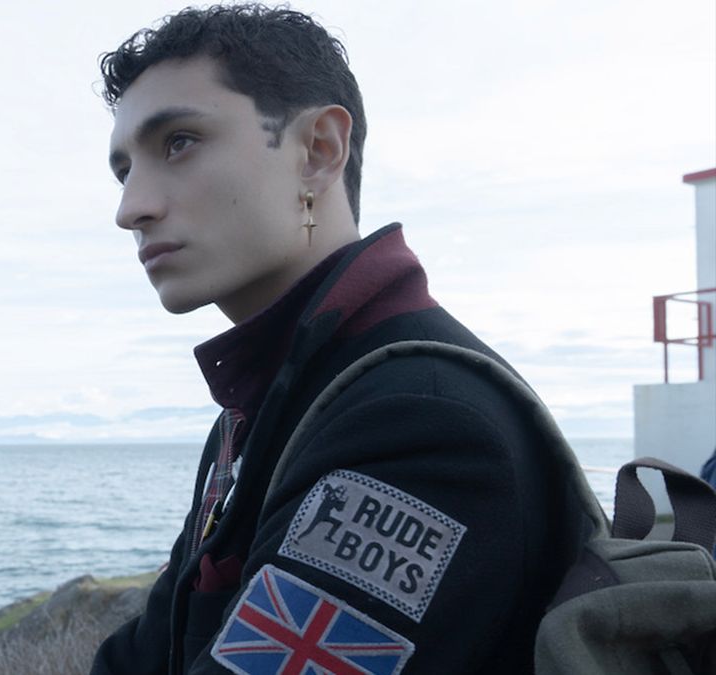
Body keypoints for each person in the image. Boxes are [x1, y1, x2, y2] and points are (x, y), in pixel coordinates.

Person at [91, 5, 591, 674]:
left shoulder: (422, 420)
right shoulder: (265, 407)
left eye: (179, 142)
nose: (131, 208)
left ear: (319, 152)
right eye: (124, 170)